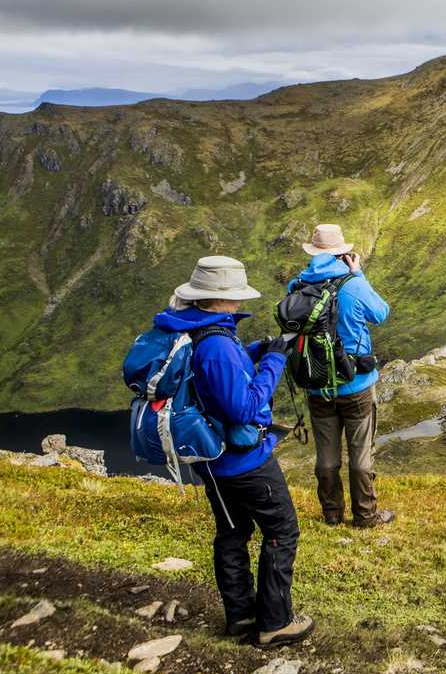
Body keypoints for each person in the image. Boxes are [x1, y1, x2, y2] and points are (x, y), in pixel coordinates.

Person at [153, 256, 314, 647]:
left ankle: (240, 617)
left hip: (211, 460)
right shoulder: (217, 347)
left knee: (232, 531)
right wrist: (275, 359)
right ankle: (275, 623)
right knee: (281, 531)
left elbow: (219, 378)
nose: (239, 303)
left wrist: (258, 349)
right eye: (236, 297)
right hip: (246, 462)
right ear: (223, 300)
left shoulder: (191, 329)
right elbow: (243, 407)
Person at [291, 224, 394, 528]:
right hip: (357, 385)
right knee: (361, 453)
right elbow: (381, 313)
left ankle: (332, 513)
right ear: (341, 253)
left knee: (326, 455)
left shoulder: (297, 287)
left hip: (316, 386)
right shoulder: (353, 284)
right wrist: (358, 273)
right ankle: (366, 515)